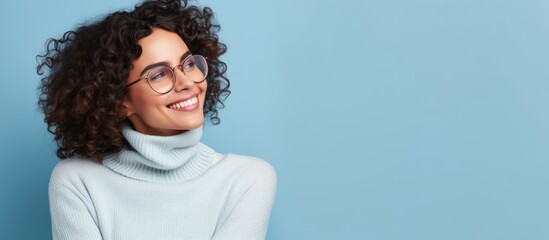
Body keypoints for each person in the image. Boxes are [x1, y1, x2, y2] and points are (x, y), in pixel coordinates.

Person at [36, 0, 277, 239]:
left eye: (189, 63)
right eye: (159, 74)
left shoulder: (248, 179)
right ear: (118, 101)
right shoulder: (77, 181)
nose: (187, 82)